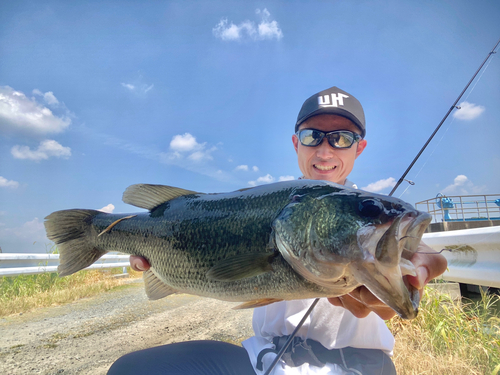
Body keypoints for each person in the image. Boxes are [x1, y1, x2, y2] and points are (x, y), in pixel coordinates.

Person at [108, 86, 447, 375]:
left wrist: (393, 291)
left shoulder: (373, 221)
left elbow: (394, 301)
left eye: (342, 138)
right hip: (266, 359)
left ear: (359, 147)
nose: (325, 149)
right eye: (313, 136)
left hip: (358, 364)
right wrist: (162, 262)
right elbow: (212, 267)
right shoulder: (266, 203)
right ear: (296, 143)